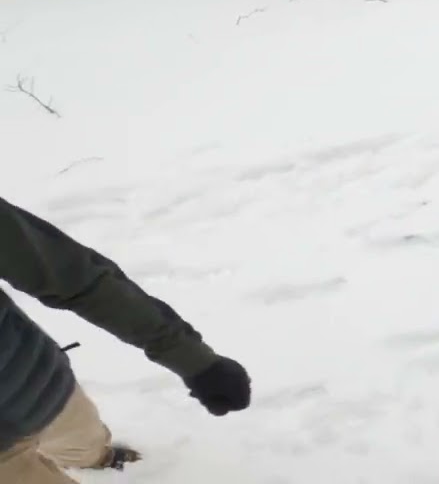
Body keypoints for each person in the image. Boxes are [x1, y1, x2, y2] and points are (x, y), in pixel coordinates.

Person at [0, 194, 252, 483]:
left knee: (85, 441)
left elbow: (76, 278)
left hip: (40, 386)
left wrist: (193, 359)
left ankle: (100, 458)